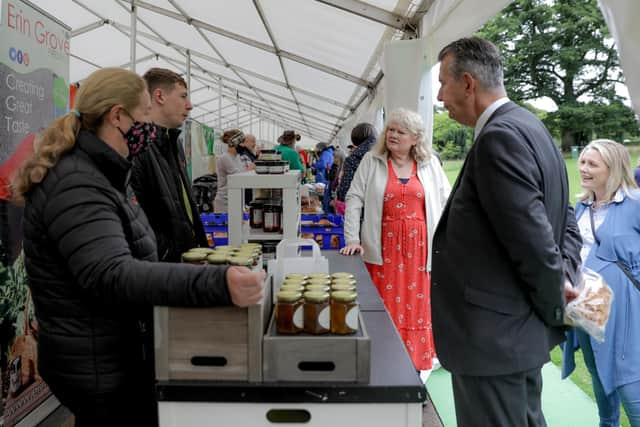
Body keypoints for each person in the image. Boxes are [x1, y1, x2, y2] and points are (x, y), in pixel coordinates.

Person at [12, 68, 265, 426]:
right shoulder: (77, 183)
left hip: (111, 351)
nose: (152, 125)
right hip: (94, 363)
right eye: (145, 113)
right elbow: (112, 273)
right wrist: (217, 283)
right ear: (118, 116)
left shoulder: (105, 173)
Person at [431, 37, 582, 427]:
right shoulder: (530, 125)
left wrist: (555, 305)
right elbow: (563, 219)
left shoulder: (499, 137)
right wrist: (564, 277)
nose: (438, 96)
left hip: (494, 342)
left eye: (442, 83)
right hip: (513, 336)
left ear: (467, 83)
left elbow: (533, 245)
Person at [340, 108, 451, 370]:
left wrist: (448, 243)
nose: (392, 135)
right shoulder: (371, 160)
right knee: (383, 305)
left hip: (420, 249)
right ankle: (381, 362)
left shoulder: (430, 164)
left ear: (415, 138)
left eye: (400, 132)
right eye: (390, 129)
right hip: (381, 247)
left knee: (416, 305)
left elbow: (447, 201)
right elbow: (354, 198)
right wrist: (351, 238)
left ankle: (413, 366)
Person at [562, 139, 640, 427]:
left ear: (613, 168)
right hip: (586, 306)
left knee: (629, 379)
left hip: (626, 309)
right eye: (582, 161)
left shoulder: (635, 204)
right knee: (598, 372)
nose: (583, 168)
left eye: (592, 164)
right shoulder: (581, 206)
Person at [131, 67, 208, 262]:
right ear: (160, 96)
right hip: (162, 271)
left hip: (184, 264)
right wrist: (167, 253)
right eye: (183, 96)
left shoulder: (173, 143)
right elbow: (136, 222)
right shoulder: (138, 149)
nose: (189, 105)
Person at [214, 129, 254, 213]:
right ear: (234, 143)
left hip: (236, 200)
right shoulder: (225, 158)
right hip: (225, 203)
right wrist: (251, 167)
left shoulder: (237, 157)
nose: (244, 146)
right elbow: (237, 179)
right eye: (242, 142)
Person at [336, 122, 377, 203]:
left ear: (355, 138)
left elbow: (345, 190)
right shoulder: (385, 153)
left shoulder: (354, 158)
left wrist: (339, 194)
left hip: (360, 208)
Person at [323, 147, 346, 214]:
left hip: (336, 197)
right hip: (332, 194)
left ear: (341, 158)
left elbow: (338, 184)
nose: (334, 159)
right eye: (334, 157)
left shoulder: (342, 169)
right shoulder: (335, 167)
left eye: (336, 158)